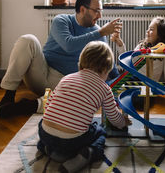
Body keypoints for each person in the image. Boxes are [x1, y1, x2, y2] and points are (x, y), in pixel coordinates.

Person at [0, 0, 122, 117]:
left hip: (65, 84)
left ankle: (30, 106)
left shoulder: (97, 32)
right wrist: (101, 33)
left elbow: (109, 65)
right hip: (42, 73)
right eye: (97, 11)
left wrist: (120, 79)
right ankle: (8, 96)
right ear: (83, 9)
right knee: (28, 40)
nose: (100, 15)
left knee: (82, 97)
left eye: (101, 11)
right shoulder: (62, 20)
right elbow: (68, 45)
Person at [38, 41, 132, 173]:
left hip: (46, 134)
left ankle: (49, 149)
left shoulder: (66, 78)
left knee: (43, 124)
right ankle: (87, 154)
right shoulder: (105, 89)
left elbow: (49, 105)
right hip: (72, 141)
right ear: (105, 69)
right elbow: (113, 117)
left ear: (82, 62)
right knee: (100, 132)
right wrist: (123, 122)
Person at [111, 16, 165, 82]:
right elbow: (129, 62)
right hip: (132, 76)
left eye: (151, 29)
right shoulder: (142, 45)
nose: (147, 31)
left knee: (109, 84)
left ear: (161, 34)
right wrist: (120, 44)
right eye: (148, 28)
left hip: (143, 81)